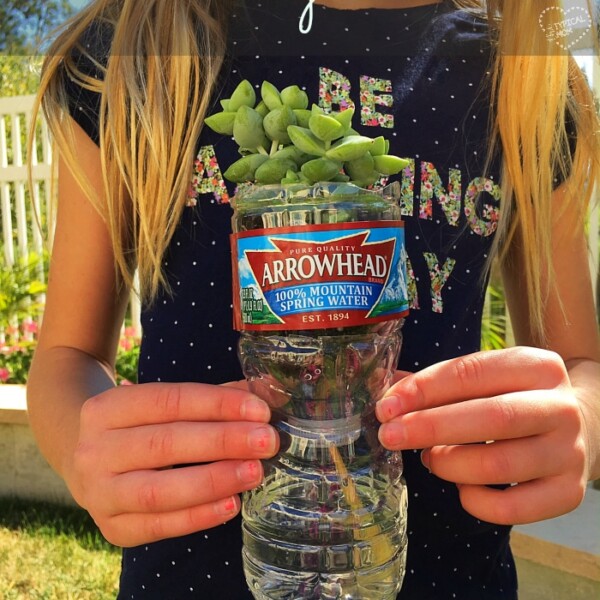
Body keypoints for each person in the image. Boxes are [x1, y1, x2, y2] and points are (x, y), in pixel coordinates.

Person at [27, 0, 600, 598]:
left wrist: (580, 419)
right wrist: (81, 448)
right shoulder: (131, 47)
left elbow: (582, 366)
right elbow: (66, 355)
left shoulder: (526, 72)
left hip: (447, 574)